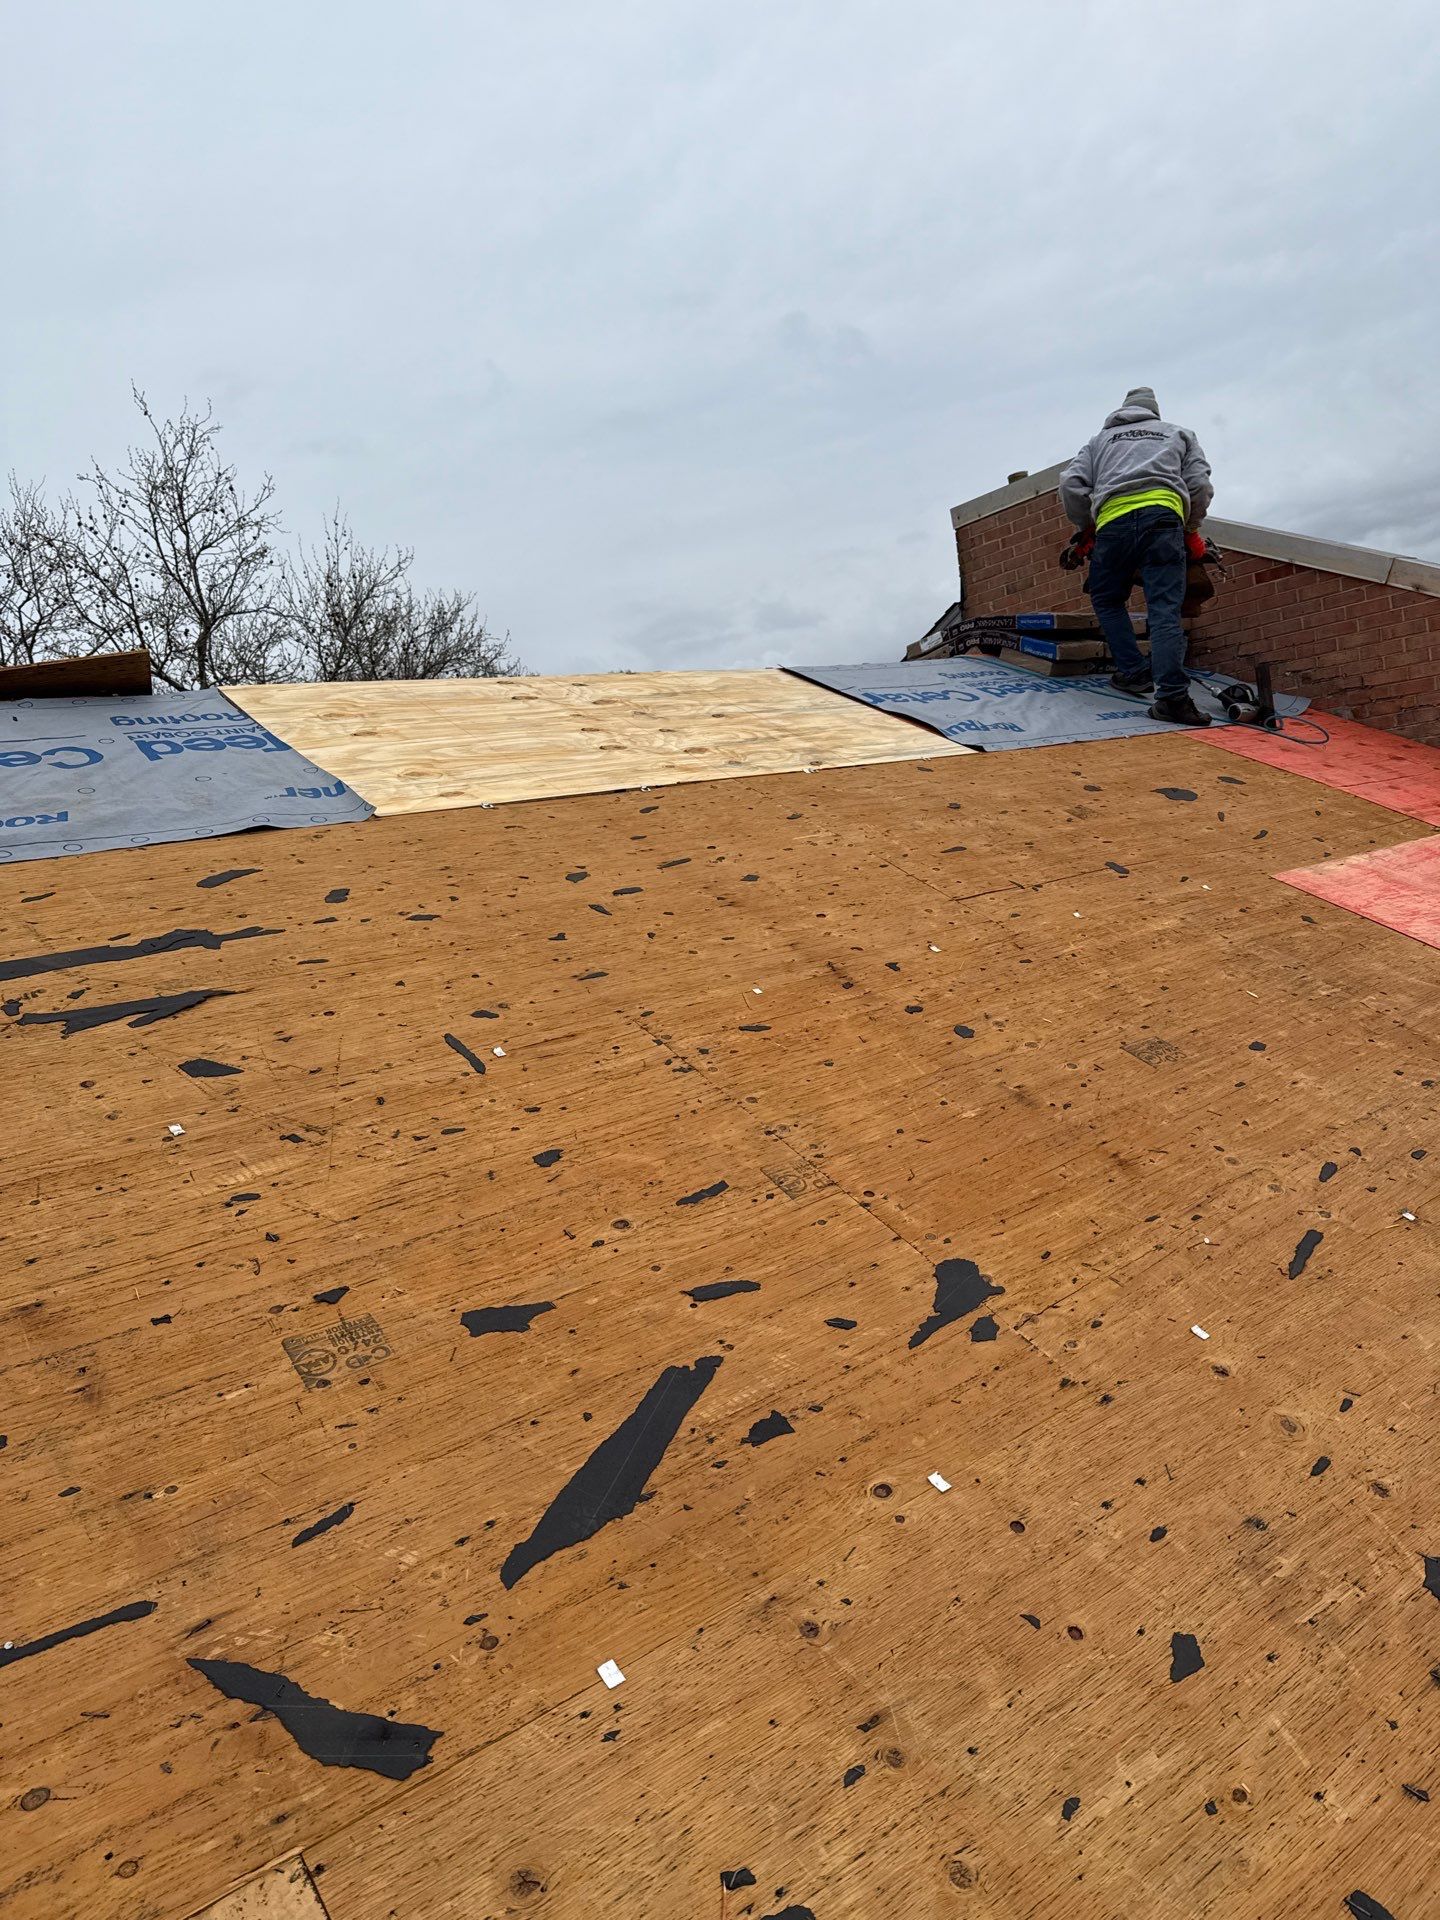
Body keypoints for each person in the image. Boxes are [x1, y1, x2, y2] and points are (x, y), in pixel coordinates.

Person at [1059, 387, 1214, 726]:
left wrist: (1086, 526)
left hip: (1112, 524)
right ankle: (1172, 698)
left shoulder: (1099, 442)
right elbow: (1200, 485)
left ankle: (1133, 672)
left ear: (1121, 411)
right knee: (1164, 609)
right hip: (1163, 521)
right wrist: (1190, 528)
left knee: (1107, 598)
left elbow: (1071, 484)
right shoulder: (1178, 434)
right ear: (1154, 412)